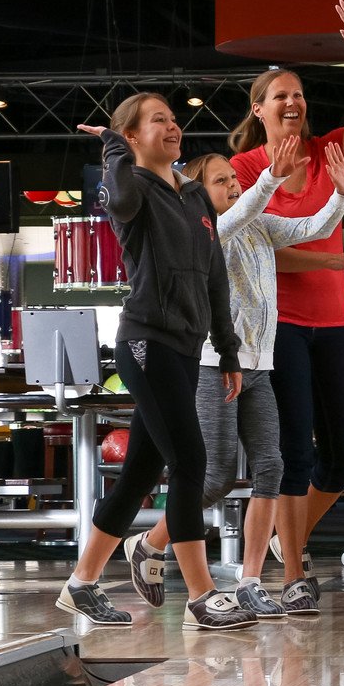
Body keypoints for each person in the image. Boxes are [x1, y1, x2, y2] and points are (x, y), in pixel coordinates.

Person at [123, 137, 344, 621]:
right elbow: (232, 219)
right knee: (215, 478)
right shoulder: (204, 228)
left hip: (261, 366)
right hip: (215, 364)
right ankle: (148, 543)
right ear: (196, 192)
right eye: (221, 180)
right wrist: (271, 177)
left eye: (235, 178)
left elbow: (313, 227)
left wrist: (341, 194)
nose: (233, 185)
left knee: (271, 466)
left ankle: (250, 580)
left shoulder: (259, 226)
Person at [56, 96, 253, 632]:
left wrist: (229, 351)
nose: (173, 125)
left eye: (173, 118)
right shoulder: (133, 187)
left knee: (142, 470)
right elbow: (116, 203)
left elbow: (215, 278)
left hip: (187, 350)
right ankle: (202, 594)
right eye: (158, 120)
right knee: (190, 461)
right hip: (146, 342)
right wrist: (114, 148)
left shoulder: (193, 197)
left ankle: (81, 583)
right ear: (134, 136)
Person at [228, 6, 344, 588]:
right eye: (279, 94)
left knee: (341, 453)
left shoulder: (332, 152)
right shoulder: (245, 168)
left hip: (334, 321)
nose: (292, 101)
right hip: (279, 325)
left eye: (298, 94)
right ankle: (296, 574)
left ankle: (289, 541)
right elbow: (262, 250)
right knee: (295, 456)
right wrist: (332, 258)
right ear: (259, 110)